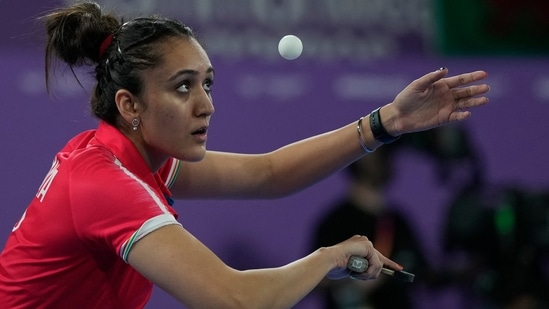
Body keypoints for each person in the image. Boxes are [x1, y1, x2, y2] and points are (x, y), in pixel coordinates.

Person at [0, 2, 490, 308]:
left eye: (207, 83)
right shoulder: (106, 184)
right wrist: (329, 258)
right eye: (183, 87)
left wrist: (387, 123)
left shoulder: (131, 155)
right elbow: (234, 300)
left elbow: (269, 174)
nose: (206, 105)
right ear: (130, 105)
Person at [311, 144, 432, 309]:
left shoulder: (400, 222)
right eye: (372, 151)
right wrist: (353, 280)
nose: (382, 158)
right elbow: (314, 277)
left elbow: (426, 275)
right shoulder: (334, 223)